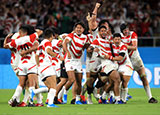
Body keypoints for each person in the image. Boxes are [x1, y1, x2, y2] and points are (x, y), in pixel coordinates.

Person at [4, 25, 43, 107]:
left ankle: (15, 99)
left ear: (21, 32)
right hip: (31, 63)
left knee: (21, 84)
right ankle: (30, 102)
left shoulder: (16, 41)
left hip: (21, 64)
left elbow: (6, 46)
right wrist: (33, 30)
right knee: (32, 84)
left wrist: (6, 38)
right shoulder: (30, 38)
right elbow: (40, 32)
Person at [120, 23, 158, 103]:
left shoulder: (132, 34)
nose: (126, 31)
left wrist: (124, 46)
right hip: (127, 61)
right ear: (122, 31)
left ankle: (150, 97)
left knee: (143, 77)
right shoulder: (119, 37)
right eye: (124, 30)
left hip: (136, 60)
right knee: (123, 80)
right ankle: (122, 98)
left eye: (127, 29)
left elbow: (134, 47)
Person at [88, 26, 122, 104]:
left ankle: (103, 97)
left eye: (104, 31)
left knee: (110, 81)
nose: (103, 32)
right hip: (100, 63)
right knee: (116, 79)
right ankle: (117, 99)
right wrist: (93, 49)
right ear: (99, 32)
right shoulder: (97, 41)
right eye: (102, 31)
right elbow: (89, 48)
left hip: (109, 62)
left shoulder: (109, 41)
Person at [62, 22, 90, 104]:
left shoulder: (85, 37)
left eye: (80, 28)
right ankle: (65, 94)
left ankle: (77, 99)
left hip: (78, 61)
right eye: (77, 28)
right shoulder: (71, 35)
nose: (78, 29)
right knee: (71, 79)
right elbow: (64, 43)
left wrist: (87, 49)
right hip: (69, 59)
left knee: (79, 81)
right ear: (75, 29)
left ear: (83, 29)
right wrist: (68, 52)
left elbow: (86, 46)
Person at [35, 28, 64, 107]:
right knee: (54, 86)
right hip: (47, 66)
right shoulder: (47, 42)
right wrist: (58, 56)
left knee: (50, 87)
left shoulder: (41, 44)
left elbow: (36, 55)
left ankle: (34, 92)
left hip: (41, 67)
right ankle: (50, 103)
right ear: (51, 36)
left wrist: (38, 66)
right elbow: (48, 51)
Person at [105, 33, 133, 103]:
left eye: (119, 39)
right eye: (116, 39)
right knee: (114, 81)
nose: (117, 41)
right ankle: (114, 97)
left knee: (124, 82)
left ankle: (123, 100)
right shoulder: (111, 45)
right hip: (119, 66)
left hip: (126, 65)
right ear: (113, 40)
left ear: (121, 40)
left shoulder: (123, 46)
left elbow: (120, 58)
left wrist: (110, 57)